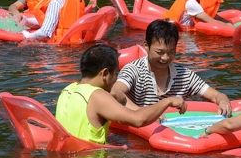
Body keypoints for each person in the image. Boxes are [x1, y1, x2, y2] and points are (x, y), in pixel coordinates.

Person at [56, 44, 187, 144]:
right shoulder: (98, 96)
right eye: (116, 74)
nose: (116, 79)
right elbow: (138, 120)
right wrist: (167, 101)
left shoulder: (67, 90)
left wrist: (127, 101)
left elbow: (117, 96)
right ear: (105, 74)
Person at [111, 19, 232, 116]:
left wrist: (223, 102)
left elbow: (216, 95)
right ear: (146, 46)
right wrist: (145, 114)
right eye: (159, 52)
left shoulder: (184, 75)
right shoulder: (133, 70)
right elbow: (115, 93)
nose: (165, 58)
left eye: (171, 52)